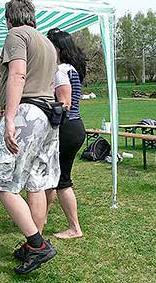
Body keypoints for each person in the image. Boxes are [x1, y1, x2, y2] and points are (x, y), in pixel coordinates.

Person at [0, 0, 59, 274]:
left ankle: (38, 245)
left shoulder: (16, 34)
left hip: (26, 113)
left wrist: (9, 117)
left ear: (8, 18)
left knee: (0, 181)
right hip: (46, 115)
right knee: (35, 182)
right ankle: (33, 245)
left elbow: (18, 74)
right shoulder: (47, 42)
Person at [45, 28, 86, 239]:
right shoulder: (71, 68)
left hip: (67, 128)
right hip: (74, 127)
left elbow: (64, 104)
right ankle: (40, 219)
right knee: (53, 178)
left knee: (62, 180)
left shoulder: (59, 70)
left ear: (57, 49)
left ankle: (74, 228)